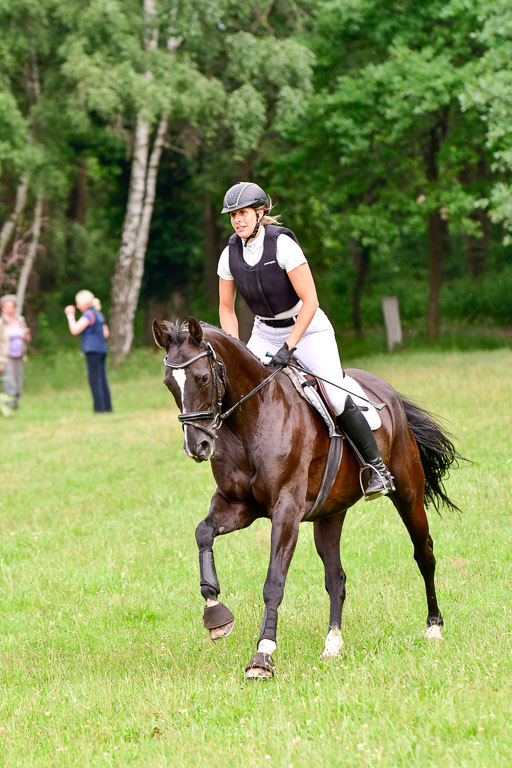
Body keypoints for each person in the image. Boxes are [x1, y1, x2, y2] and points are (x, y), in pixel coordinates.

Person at [217, 181, 394, 500]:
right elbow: (225, 309)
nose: (238, 220)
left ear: (260, 212)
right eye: (233, 216)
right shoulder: (229, 254)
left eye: (243, 213)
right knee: (242, 394)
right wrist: (233, 348)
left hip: (308, 327)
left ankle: (376, 468)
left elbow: (310, 301)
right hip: (263, 332)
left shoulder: (283, 246)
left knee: (335, 397)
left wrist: (290, 346)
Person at [64, 290, 113, 413]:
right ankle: (108, 407)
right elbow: (106, 333)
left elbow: (75, 330)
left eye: (78, 303)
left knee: (94, 380)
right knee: (102, 379)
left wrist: (70, 315)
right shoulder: (98, 314)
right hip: (102, 349)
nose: (77, 306)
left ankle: (99, 409)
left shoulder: (88, 314)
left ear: (83, 302)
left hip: (92, 350)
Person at [0, 294, 31, 411]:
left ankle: (15, 404)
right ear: (2, 308)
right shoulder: (1, 323)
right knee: (9, 382)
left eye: (11, 307)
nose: (9, 309)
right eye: (6, 307)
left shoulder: (20, 320)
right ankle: (9, 406)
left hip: (19, 355)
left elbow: (25, 334)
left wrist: (26, 337)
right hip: (5, 357)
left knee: (18, 380)